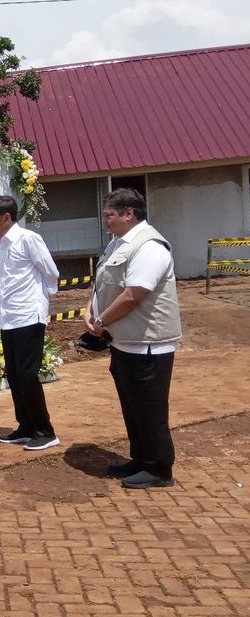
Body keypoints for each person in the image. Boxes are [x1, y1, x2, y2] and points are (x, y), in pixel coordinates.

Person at [85, 188, 182, 489]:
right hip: (125, 341)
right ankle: (141, 459)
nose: (106, 221)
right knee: (133, 407)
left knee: (150, 409)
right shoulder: (118, 244)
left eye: (110, 215)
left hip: (148, 344)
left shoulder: (149, 246)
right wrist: (91, 310)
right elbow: (104, 284)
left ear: (129, 214)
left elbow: (133, 294)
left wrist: (101, 321)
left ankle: (159, 468)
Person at [0, 195, 61, 451]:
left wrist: (41, 300)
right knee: (15, 375)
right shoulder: (0, 244)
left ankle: (45, 431)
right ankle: (26, 426)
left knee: (28, 375)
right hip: (10, 317)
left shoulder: (28, 239)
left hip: (29, 315)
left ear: (7, 217)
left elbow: (50, 272)